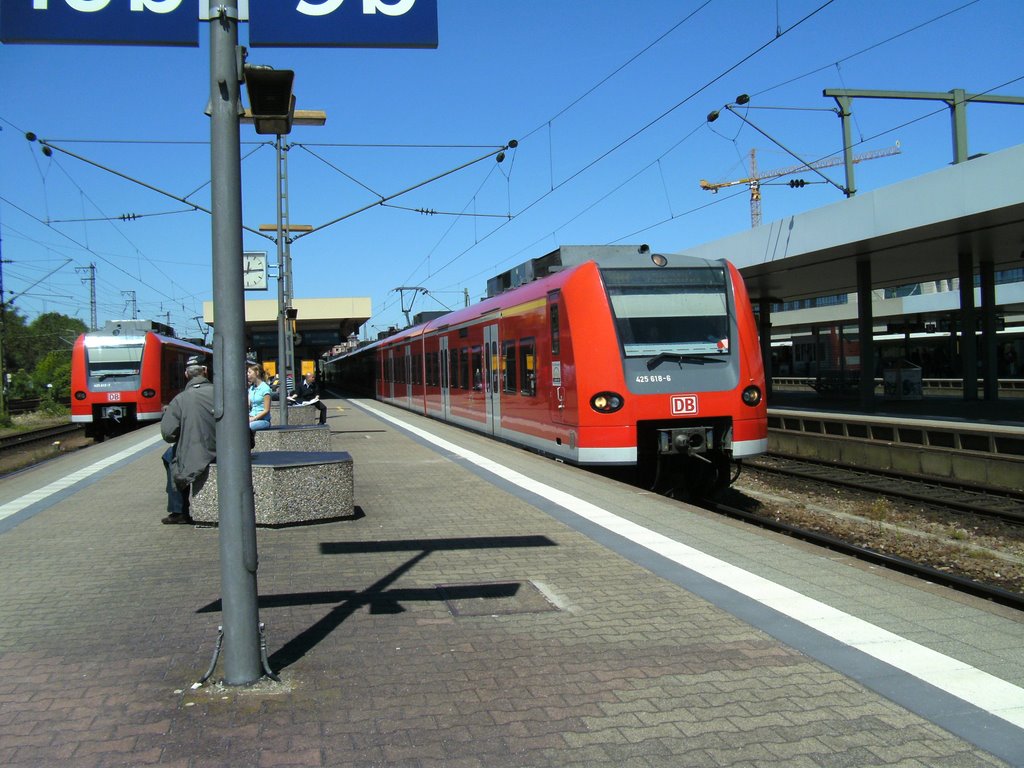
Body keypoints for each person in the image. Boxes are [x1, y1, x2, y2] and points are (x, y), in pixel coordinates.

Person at [160, 356, 215, 525]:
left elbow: (168, 434)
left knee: (170, 457)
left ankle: (179, 510)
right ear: (205, 371)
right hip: (228, 450)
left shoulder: (180, 400)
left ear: (186, 374)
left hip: (198, 453)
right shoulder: (222, 392)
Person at [247, 363, 272, 431]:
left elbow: (266, 410)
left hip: (263, 421)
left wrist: (254, 418)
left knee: (246, 428)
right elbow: (248, 405)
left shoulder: (265, 388)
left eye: (249, 372)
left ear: (257, 372)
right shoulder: (251, 388)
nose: (247, 374)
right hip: (251, 417)